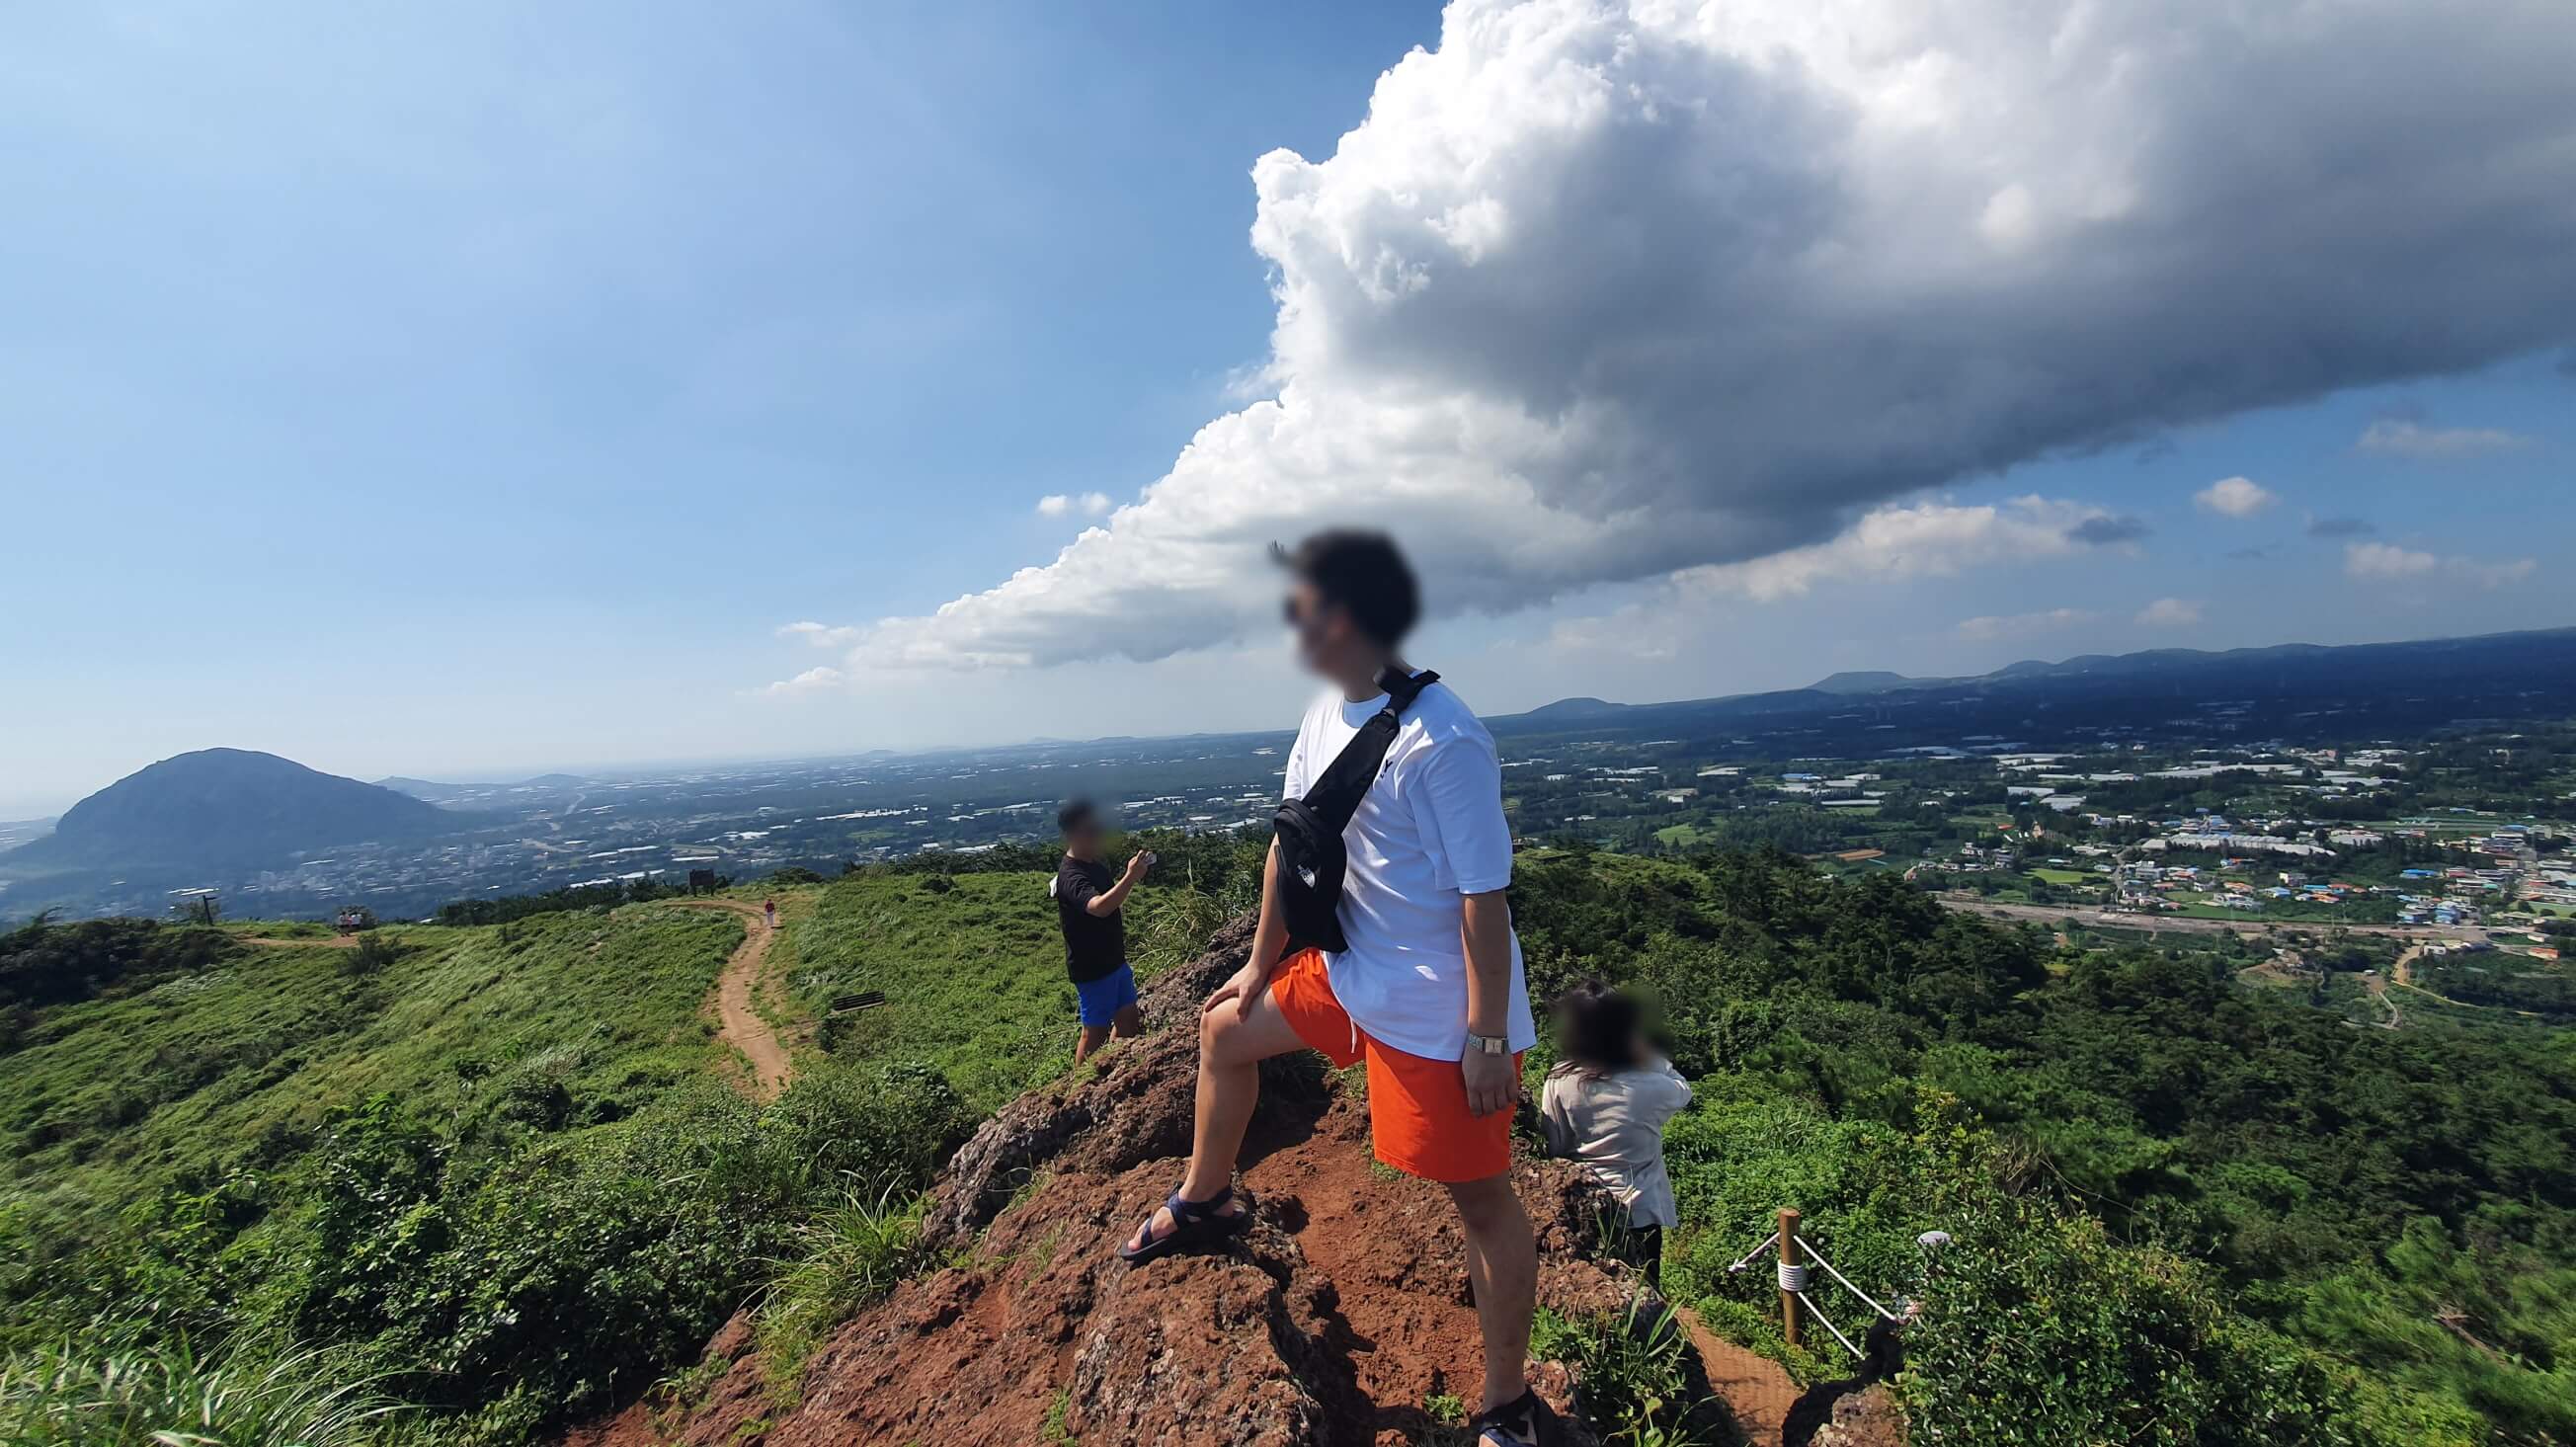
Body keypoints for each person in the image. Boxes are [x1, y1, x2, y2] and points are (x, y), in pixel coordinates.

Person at [1116, 529, 1549, 1447]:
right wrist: (1259, 964)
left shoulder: (1446, 740)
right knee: (1221, 1031)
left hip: (1437, 1011)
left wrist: (1483, 1038)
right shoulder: (1327, 713)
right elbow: (1292, 842)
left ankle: (1504, 1403)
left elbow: (1485, 901)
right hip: (1348, 973)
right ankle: (1207, 1198)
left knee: (1481, 1201)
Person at [1539, 981, 1692, 1289]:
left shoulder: (1559, 1080)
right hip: (1641, 1211)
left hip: (1586, 1210)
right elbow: (1683, 1089)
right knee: (1647, 1295)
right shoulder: (1649, 1084)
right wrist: (1647, 1054)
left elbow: (1554, 1148)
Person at [1053, 799, 1153, 1064]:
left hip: (1114, 961)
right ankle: (1080, 1085)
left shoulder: (1094, 864)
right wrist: (1130, 877)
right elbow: (1098, 907)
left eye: (1097, 828)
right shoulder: (1071, 876)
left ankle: (1113, 1067)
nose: (1097, 834)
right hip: (1093, 968)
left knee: (1128, 1019)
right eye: (1089, 830)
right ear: (1072, 834)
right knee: (1094, 1032)